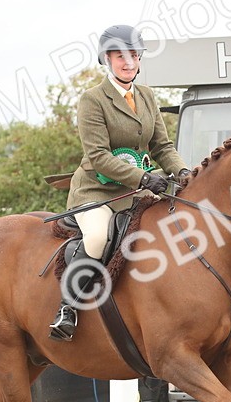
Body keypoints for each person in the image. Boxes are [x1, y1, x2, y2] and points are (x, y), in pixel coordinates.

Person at [48, 24, 190, 341]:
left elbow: (162, 146)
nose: (128, 62)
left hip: (138, 191)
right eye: (120, 56)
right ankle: (67, 309)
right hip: (98, 192)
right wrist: (143, 178)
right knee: (98, 237)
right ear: (107, 59)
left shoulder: (147, 96)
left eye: (134, 56)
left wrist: (182, 172)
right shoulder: (92, 99)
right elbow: (98, 156)